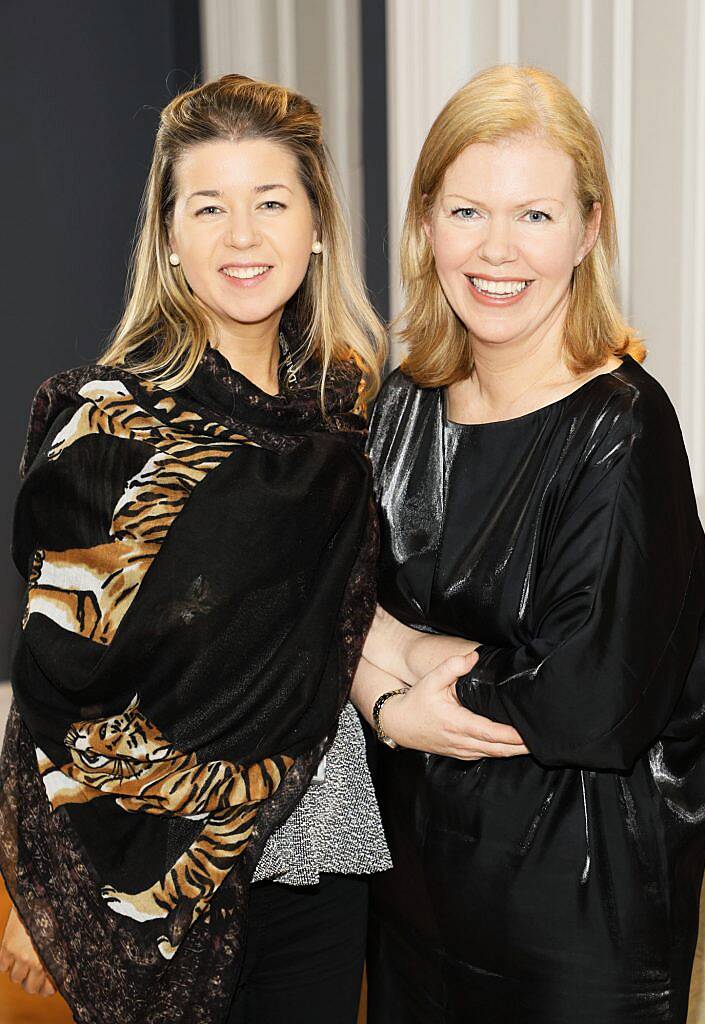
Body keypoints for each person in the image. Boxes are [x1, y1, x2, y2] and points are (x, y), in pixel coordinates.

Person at [0, 74, 389, 1024]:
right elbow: (58, 681)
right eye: (208, 206)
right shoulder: (106, 426)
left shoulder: (352, 420)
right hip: (143, 874)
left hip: (319, 850)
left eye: (270, 202)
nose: (242, 236)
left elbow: (358, 624)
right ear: (170, 236)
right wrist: (35, 888)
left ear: (316, 225)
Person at [353, 65, 705, 1023]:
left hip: (575, 933)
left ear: (588, 231)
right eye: (468, 211)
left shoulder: (622, 430)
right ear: (425, 221)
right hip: (409, 901)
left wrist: (389, 663)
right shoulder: (401, 406)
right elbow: (326, 610)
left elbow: (586, 698)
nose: (496, 250)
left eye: (536, 216)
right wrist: (395, 698)